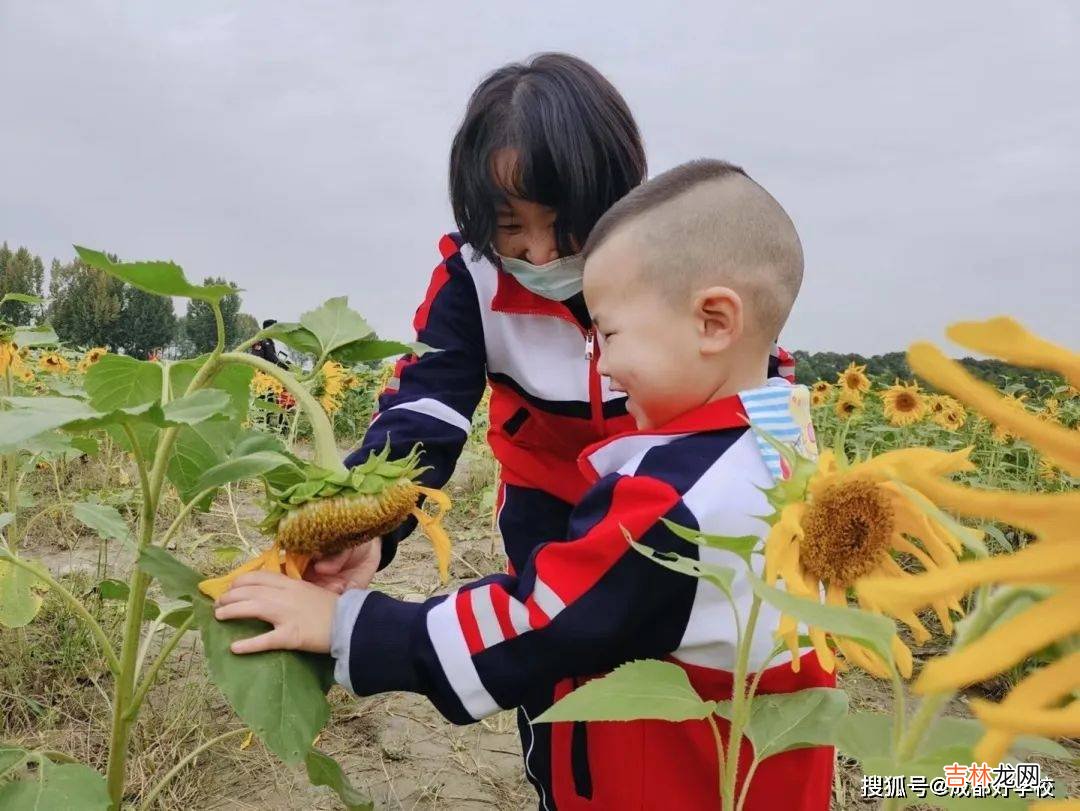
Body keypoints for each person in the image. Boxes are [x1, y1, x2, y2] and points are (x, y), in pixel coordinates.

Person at [214, 159, 834, 809]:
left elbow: (540, 623)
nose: (600, 364)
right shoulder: (781, 432)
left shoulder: (674, 500)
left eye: (610, 334)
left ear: (714, 321)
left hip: (667, 780)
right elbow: (430, 407)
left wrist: (349, 627)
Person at [305, 52, 795, 594]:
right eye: (508, 225)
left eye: (564, 223)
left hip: (668, 493)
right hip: (541, 497)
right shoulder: (470, 279)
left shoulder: (671, 261)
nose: (538, 254)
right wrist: (368, 521)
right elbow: (426, 408)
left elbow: (758, 391)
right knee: (543, 631)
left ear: (615, 193)